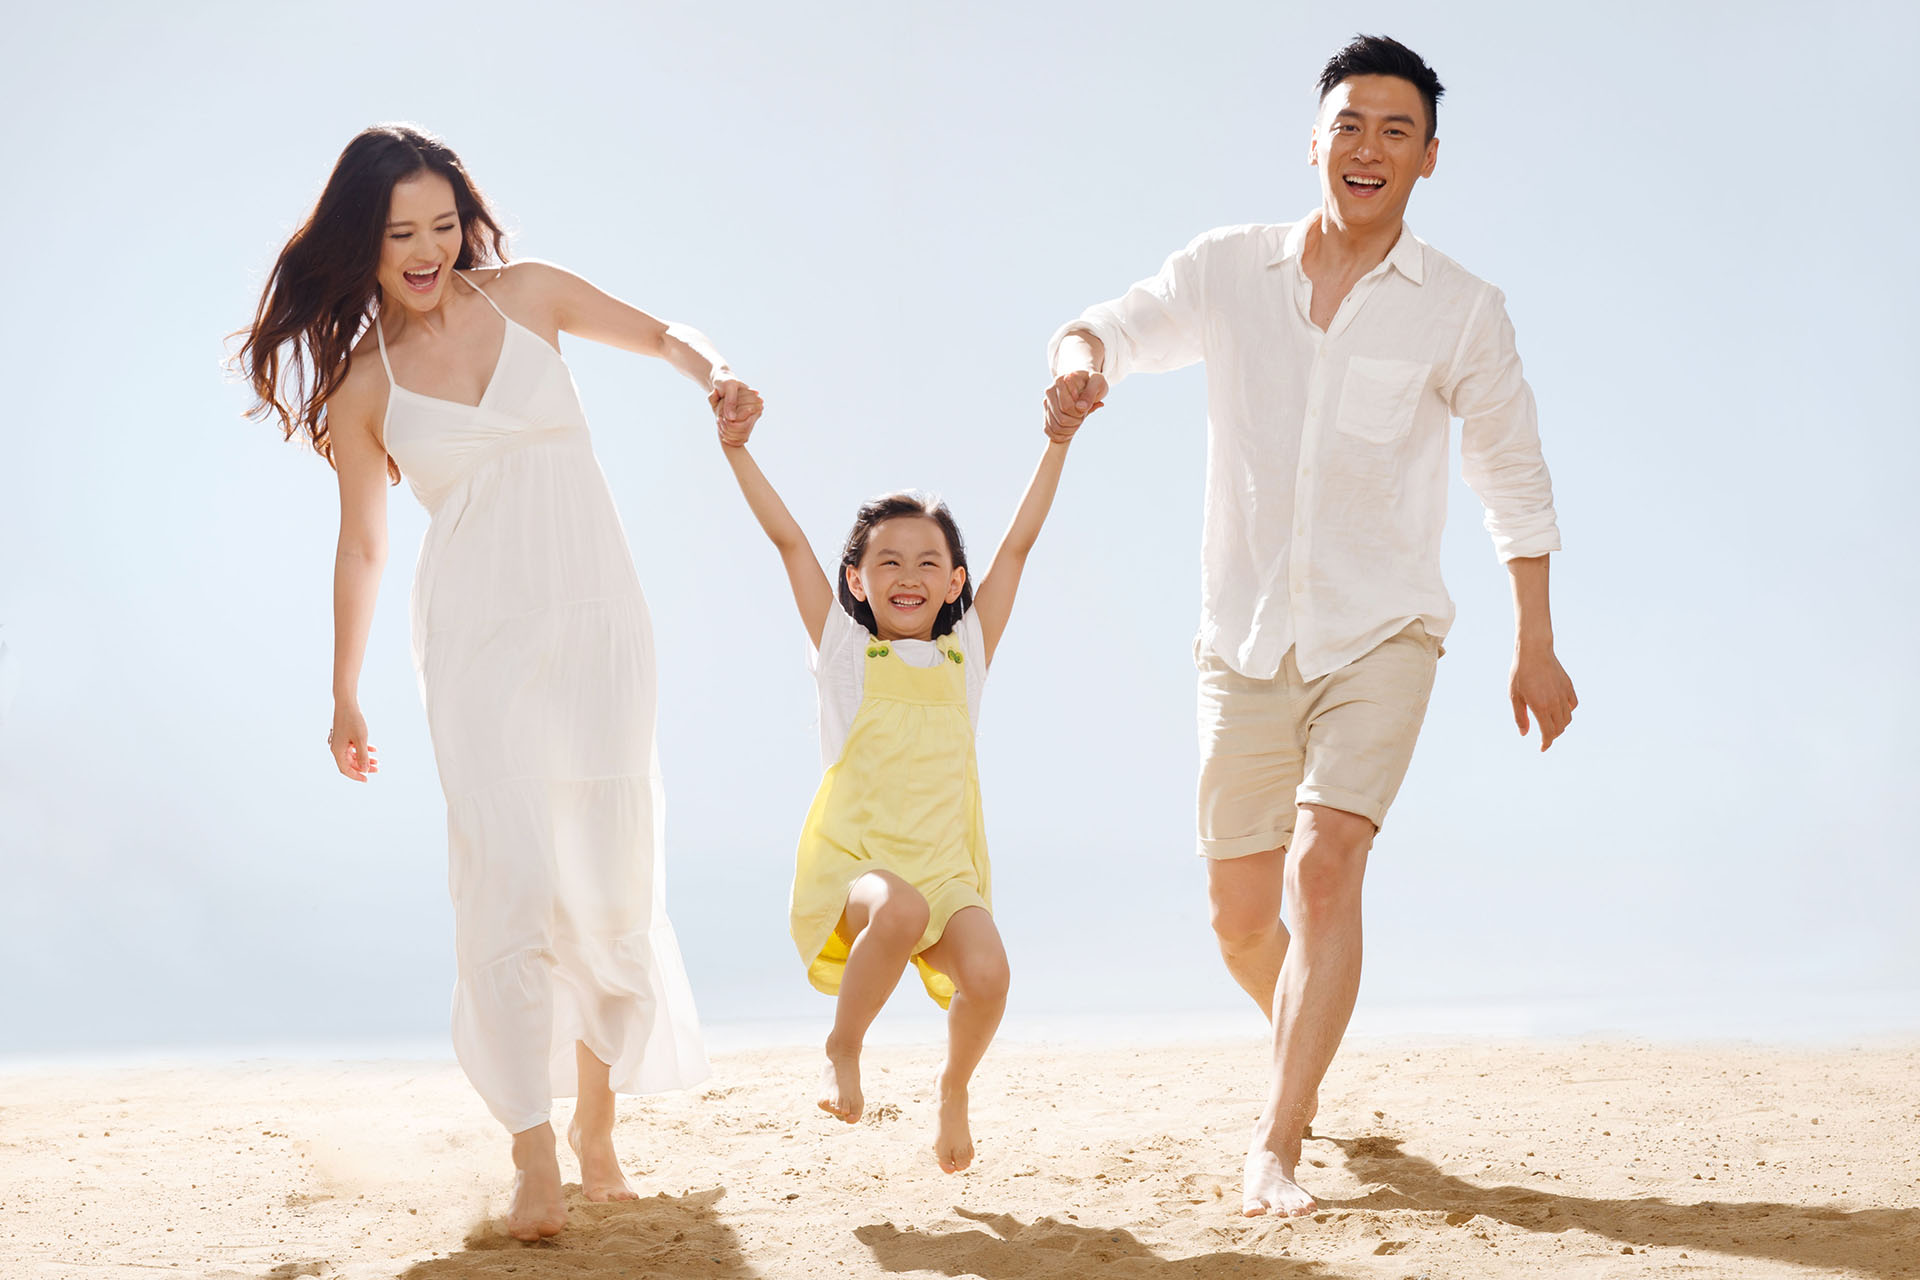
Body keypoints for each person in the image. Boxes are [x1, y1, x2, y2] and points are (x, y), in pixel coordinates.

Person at [1042, 35, 1578, 1216]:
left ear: (1430, 158)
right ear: (1316, 139)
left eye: (1395, 130)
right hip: (1240, 643)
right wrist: (1082, 368)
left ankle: (1275, 1139)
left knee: (1325, 870)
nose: (1368, 147)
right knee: (1243, 921)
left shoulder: (1463, 312)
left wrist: (1534, 638)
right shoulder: (1231, 271)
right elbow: (1107, 327)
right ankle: (1308, 1039)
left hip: (1381, 633)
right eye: (1350, 124)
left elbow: (1515, 478)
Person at [233, 124, 762, 1241]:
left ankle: (599, 1125)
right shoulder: (364, 391)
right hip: (477, 642)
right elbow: (365, 547)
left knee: (607, 876)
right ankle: (533, 1153)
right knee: (510, 877)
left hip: (599, 620)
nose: (427, 250)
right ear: (362, 246)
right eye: (400, 234)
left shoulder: (531, 295)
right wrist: (343, 690)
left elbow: (666, 334)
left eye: (441, 225)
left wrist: (718, 374)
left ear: (463, 221)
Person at [716, 405, 1076, 1173]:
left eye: (926, 562)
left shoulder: (965, 653)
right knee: (899, 906)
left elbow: (1019, 544)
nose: (907, 576)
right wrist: (736, 449)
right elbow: (788, 542)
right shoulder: (846, 652)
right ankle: (843, 1047)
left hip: (947, 869)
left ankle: (953, 1090)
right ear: (857, 578)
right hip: (859, 868)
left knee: (990, 975)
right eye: (888, 561)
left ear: (955, 581)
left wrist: (1058, 440)